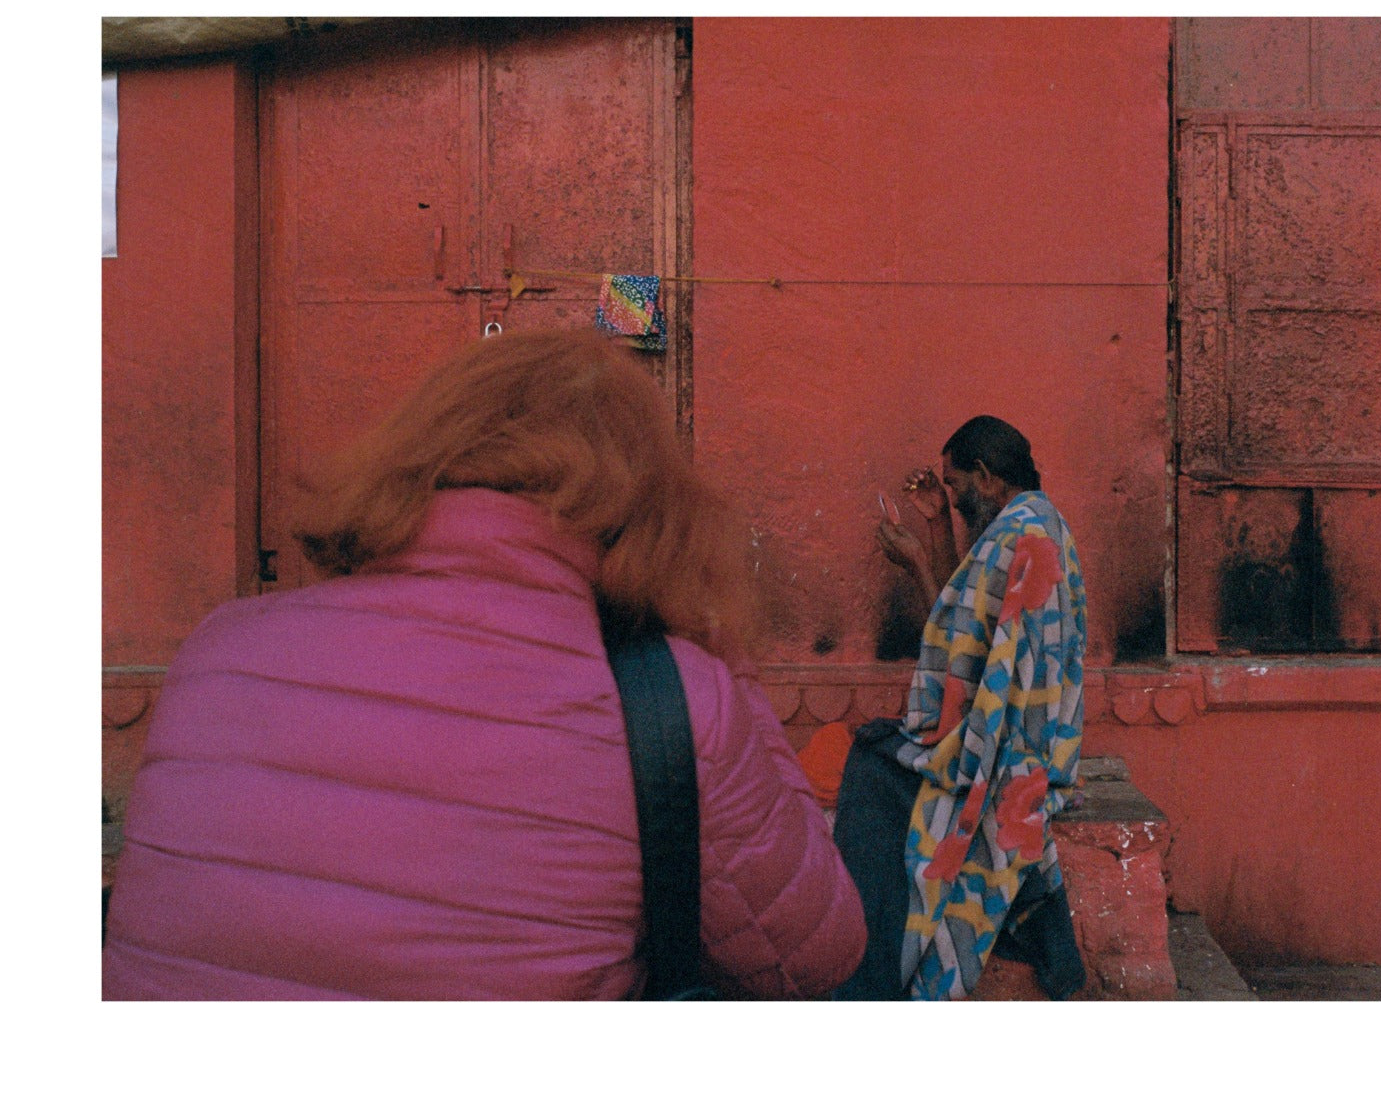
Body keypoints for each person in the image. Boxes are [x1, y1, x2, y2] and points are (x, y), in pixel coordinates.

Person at [102, 328, 865, 1000]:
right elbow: (813, 958)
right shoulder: (674, 697)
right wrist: (725, 662)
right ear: (646, 505)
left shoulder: (219, 647)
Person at [833, 415, 1087, 1000]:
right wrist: (938, 524)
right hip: (1041, 737)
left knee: (869, 770)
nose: (951, 494)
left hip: (999, 749)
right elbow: (970, 611)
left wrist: (917, 566)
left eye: (954, 486)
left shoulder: (1010, 539)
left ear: (987, 476)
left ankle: (863, 982)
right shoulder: (1042, 521)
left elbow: (958, 655)